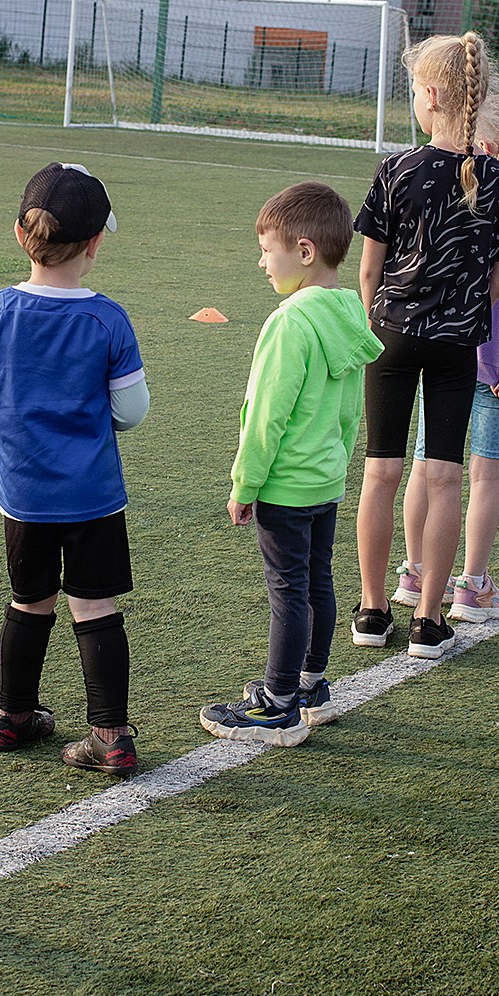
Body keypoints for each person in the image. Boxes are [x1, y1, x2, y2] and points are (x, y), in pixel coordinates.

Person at [0, 164, 149, 778]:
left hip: (24, 494)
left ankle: (13, 716)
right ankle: (111, 735)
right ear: (95, 245)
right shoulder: (108, 319)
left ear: (20, 234)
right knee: (93, 604)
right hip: (92, 496)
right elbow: (131, 412)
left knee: (28, 599)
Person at [349, 33, 499, 661]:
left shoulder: (397, 168)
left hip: (393, 334)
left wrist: (376, 321)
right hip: (459, 345)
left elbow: (370, 270)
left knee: (381, 472)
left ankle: (373, 610)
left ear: (429, 95)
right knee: (447, 474)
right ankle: (429, 621)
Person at [201, 182, 382, 746]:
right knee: (317, 582)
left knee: (288, 589)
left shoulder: (289, 323)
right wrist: (335, 462)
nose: (260, 261)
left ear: (304, 252)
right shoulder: (349, 313)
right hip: (325, 479)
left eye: (267, 250)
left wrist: (244, 483)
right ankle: (312, 686)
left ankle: (277, 702)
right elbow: (352, 411)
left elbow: (265, 415)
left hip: (284, 484)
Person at [392, 90, 499, 625]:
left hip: (443, 352)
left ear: (488, 140)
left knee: (425, 465)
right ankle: (471, 584)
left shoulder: (467, 196)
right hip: (495, 371)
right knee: (484, 476)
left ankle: (415, 572)